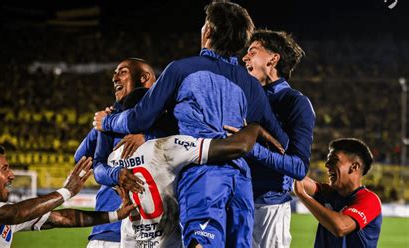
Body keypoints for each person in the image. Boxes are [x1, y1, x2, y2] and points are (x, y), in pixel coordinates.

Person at [93, 2, 289, 247]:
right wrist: (250, 134)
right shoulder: (249, 84)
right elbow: (281, 140)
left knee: (201, 242)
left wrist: (108, 120)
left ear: (207, 31)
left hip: (202, 170)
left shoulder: (181, 70)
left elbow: (139, 119)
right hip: (241, 178)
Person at [0, 144, 136, 247]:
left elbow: (61, 218)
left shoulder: (7, 214)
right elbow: (14, 213)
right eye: (4, 169)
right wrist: (66, 191)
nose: (12, 175)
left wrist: (115, 215)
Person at [241, 29, 315, 247]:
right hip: (234, 203)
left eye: (252, 51)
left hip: (268, 210)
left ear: (273, 58)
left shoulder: (295, 103)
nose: (245, 57)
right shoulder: (242, 97)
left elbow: (298, 167)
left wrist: (250, 147)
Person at [74, 58, 156, 248]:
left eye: (123, 72)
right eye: (115, 73)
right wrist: (101, 125)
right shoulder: (113, 118)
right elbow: (82, 159)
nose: (115, 77)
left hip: (154, 231)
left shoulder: (168, 115)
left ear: (144, 77)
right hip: (109, 230)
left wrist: (148, 136)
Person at [294, 138, 382, 248]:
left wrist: (303, 195)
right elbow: (297, 179)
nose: (326, 165)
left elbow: (340, 228)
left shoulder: (369, 200)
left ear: (354, 167)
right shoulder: (328, 192)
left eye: (333, 160)